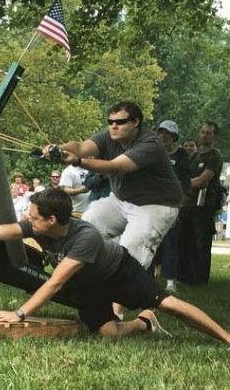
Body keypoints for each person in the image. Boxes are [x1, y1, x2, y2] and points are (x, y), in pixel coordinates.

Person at [0, 188, 230, 344]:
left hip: (119, 272)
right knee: (108, 334)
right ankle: (145, 322)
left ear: (52, 220)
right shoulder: (39, 228)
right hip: (89, 284)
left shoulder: (86, 237)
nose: (28, 221)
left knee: (169, 304)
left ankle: (225, 337)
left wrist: (19, 313)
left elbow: (56, 282)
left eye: (33, 217)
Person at [53, 100, 182, 269]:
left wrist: (77, 161)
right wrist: (58, 149)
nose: (114, 126)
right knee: (86, 228)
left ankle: (127, 292)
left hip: (156, 206)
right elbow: (81, 146)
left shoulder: (149, 143)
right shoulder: (109, 136)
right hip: (122, 199)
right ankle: (81, 277)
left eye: (120, 122)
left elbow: (116, 167)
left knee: (130, 256)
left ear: (135, 122)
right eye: (110, 122)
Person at [178, 121, 224, 286]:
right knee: (186, 241)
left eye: (208, 133)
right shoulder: (195, 156)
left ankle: (200, 280)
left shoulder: (215, 157)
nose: (204, 135)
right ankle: (187, 277)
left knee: (201, 243)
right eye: (202, 132)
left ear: (214, 136)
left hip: (204, 205)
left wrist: (180, 184)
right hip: (187, 204)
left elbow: (202, 181)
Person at [153, 120, 192, 292]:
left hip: (172, 205)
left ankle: (170, 280)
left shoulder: (182, 157)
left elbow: (186, 184)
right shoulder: (153, 153)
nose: (163, 136)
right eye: (160, 132)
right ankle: (147, 277)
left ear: (174, 136)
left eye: (167, 133)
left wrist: (179, 206)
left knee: (171, 243)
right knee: (150, 241)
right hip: (152, 204)